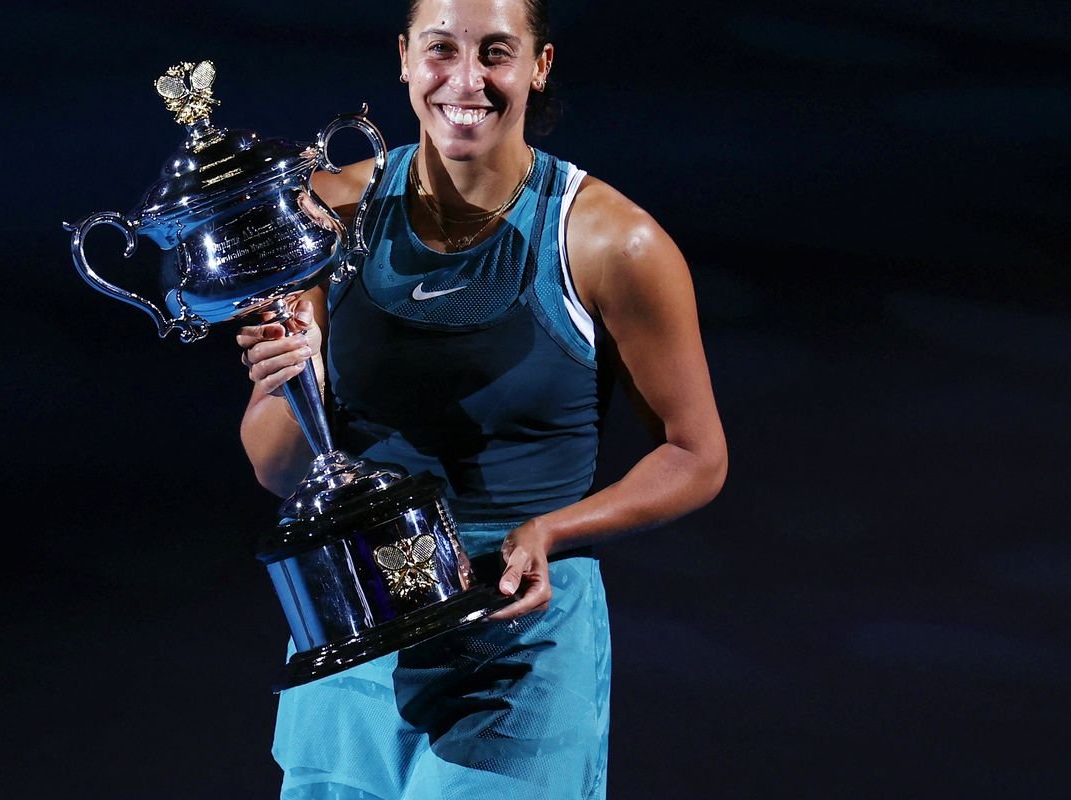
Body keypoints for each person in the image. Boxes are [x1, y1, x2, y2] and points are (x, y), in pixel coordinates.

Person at [237, 1, 728, 797]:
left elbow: (696, 455)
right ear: (405, 58)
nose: (466, 80)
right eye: (441, 50)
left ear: (539, 66)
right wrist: (294, 381)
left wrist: (554, 529)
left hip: (516, 636)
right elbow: (280, 470)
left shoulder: (612, 242)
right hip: (354, 628)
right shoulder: (323, 217)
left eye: (496, 52)